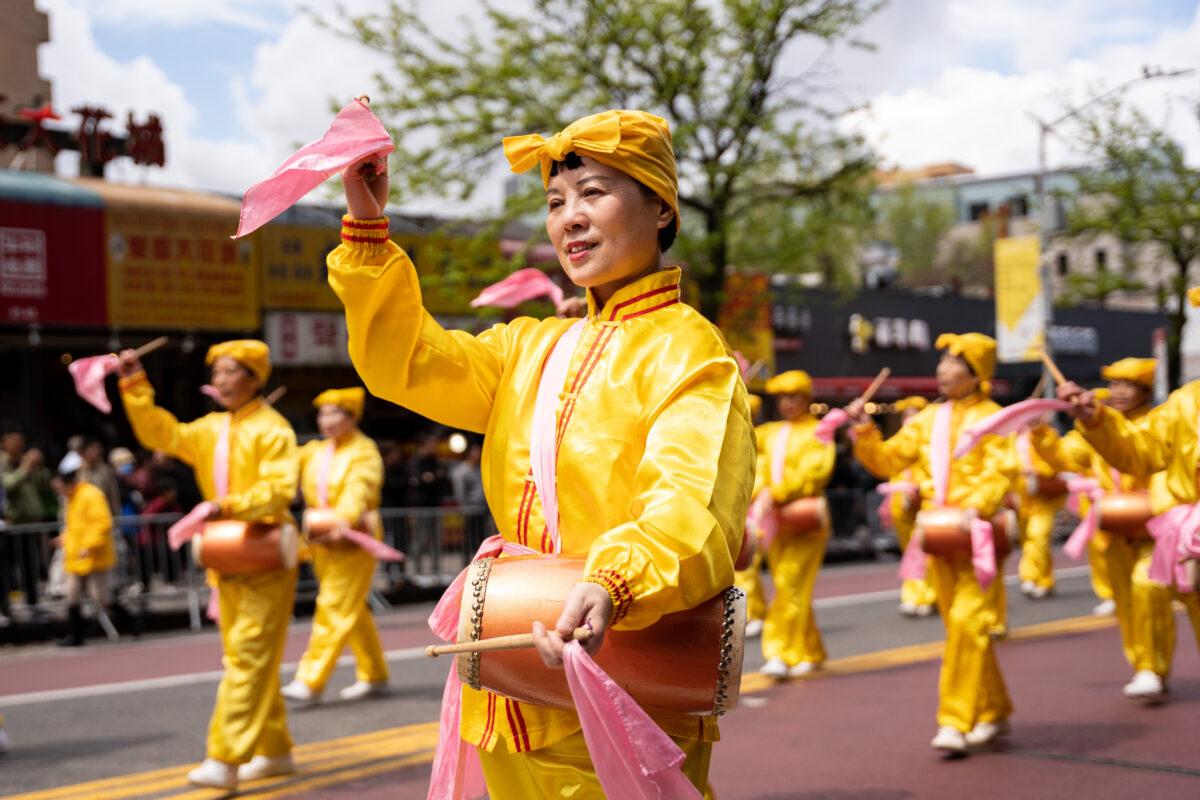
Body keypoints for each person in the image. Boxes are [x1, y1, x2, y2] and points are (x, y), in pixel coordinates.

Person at [327, 109, 755, 797]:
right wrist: (370, 230)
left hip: (622, 667)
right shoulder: (530, 346)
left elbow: (689, 500)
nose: (570, 219)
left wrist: (616, 581)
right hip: (514, 671)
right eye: (556, 202)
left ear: (661, 207)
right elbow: (404, 362)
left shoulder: (689, 350)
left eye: (594, 193)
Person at [117, 340, 299, 791]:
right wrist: (134, 383)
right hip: (227, 554)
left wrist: (229, 505)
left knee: (248, 657)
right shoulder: (210, 428)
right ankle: (274, 751)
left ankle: (225, 756)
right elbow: (162, 434)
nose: (219, 378)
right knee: (249, 658)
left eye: (230, 370)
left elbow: (279, 490)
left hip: (264, 555)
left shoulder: (273, 429)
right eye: (216, 370)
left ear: (253, 377)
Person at [848, 333, 1017, 755]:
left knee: (967, 624)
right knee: (962, 630)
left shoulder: (994, 418)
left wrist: (977, 506)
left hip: (977, 536)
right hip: (938, 537)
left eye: (953, 363)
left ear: (977, 374)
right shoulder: (927, 420)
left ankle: (955, 721)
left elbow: (1002, 472)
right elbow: (887, 461)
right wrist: (865, 431)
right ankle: (994, 710)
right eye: (941, 362)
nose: (942, 369)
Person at [1055, 355, 1200, 702]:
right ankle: (1147, 665)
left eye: (1127, 384)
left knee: (1145, 586)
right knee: (1131, 596)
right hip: (1168, 534)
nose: (1118, 392)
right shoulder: (1185, 403)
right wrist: (1094, 420)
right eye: (1114, 384)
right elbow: (1139, 450)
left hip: (1156, 530)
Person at [283, 387, 390, 704]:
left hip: (355, 534)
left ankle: (310, 679)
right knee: (350, 606)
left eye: (335, 413)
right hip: (320, 536)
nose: (326, 420)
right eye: (322, 413)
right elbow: (285, 466)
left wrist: (343, 519)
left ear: (352, 417)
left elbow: (360, 487)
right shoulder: (315, 450)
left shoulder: (363, 450)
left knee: (334, 603)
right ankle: (375, 673)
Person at [753, 371, 835, 678]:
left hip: (805, 520)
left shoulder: (819, 431)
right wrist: (761, 490)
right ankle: (811, 650)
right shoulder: (770, 432)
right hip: (775, 520)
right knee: (792, 587)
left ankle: (780, 652)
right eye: (782, 398)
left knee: (788, 583)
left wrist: (775, 492)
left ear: (806, 398)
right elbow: (754, 461)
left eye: (793, 397)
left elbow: (814, 472)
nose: (787, 403)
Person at [51, 452, 116, 647]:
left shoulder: (90, 494)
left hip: (93, 554)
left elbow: (101, 523)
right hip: (75, 556)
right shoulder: (71, 499)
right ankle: (76, 636)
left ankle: (132, 621)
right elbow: (73, 527)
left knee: (100, 597)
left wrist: (89, 545)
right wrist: (62, 540)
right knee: (72, 596)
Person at [885, 396, 938, 617]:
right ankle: (915, 594)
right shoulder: (899, 444)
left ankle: (927, 595)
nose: (909, 420)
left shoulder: (930, 444)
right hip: (902, 506)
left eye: (914, 415)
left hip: (925, 504)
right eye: (906, 415)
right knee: (910, 551)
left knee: (925, 550)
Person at [1, 431, 55, 618]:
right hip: (11, 525)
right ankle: (5, 609)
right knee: (6, 568)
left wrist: (38, 467)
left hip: (30, 523)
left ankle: (33, 605)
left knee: (30, 567)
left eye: (21, 440)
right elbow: (8, 485)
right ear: (4, 442)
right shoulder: (3, 462)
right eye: (15, 440)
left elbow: (42, 485)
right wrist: (25, 467)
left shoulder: (26, 460)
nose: (19, 444)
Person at [734, 394, 768, 636]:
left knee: (748, 568)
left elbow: (758, 485)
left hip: (755, 516)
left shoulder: (760, 448)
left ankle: (754, 613)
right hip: (738, 517)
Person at [450, 441, 487, 556]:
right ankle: (467, 560)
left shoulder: (478, 468)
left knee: (481, 537)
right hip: (469, 509)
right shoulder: (462, 471)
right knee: (469, 537)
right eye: (476, 451)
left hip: (482, 508)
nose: (478, 454)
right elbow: (460, 491)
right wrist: (464, 507)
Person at [79, 437, 121, 516]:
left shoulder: (106, 471)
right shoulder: (78, 471)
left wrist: (117, 517)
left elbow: (114, 496)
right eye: (93, 449)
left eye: (99, 449)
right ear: (85, 451)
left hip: (102, 517)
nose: (98, 452)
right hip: (83, 518)